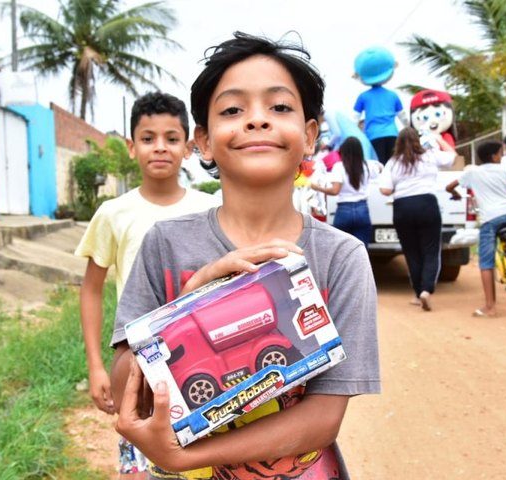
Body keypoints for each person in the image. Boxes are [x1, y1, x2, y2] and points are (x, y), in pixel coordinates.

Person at [113, 32, 380, 479]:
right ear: (203, 142)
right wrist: (190, 301)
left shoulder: (342, 257)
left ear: (310, 135)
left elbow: (323, 416)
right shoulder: (165, 243)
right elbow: (126, 390)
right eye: (233, 110)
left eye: (279, 107)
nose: (257, 120)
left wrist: (187, 457)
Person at [75, 92, 221, 479]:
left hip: (201, 360)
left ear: (189, 147)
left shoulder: (208, 211)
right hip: (138, 364)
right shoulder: (113, 213)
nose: (160, 148)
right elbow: (91, 289)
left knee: (201, 459)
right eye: (148, 138)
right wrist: (96, 366)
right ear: (131, 146)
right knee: (144, 459)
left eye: (172, 139)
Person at [379, 127, 456, 311]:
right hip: (427, 204)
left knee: (411, 252)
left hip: (402, 208)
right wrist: (439, 138)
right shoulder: (429, 155)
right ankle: (426, 291)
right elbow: (453, 156)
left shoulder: (393, 162)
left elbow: (385, 190)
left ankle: (416, 293)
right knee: (430, 250)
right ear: (417, 141)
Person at [445, 141, 506, 318]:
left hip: (490, 218)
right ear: (494, 156)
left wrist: (456, 195)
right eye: (500, 153)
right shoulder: (505, 170)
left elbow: (449, 187)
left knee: (486, 263)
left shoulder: (473, 172)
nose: (502, 156)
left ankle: (490, 307)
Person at [310, 136, 380, 247]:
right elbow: (380, 168)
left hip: (344, 211)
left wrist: (316, 187)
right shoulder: (367, 166)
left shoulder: (339, 167)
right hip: (362, 209)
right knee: (361, 250)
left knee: (341, 249)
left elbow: (335, 191)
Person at [352, 47, 406, 164]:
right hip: (392, 134)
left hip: (373, 135)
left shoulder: (363, 97)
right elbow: (403, 117)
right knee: (394, 165)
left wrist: (354, 134)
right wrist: (410, 128)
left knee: (379, 165)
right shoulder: (393, 95)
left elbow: (355, 119)